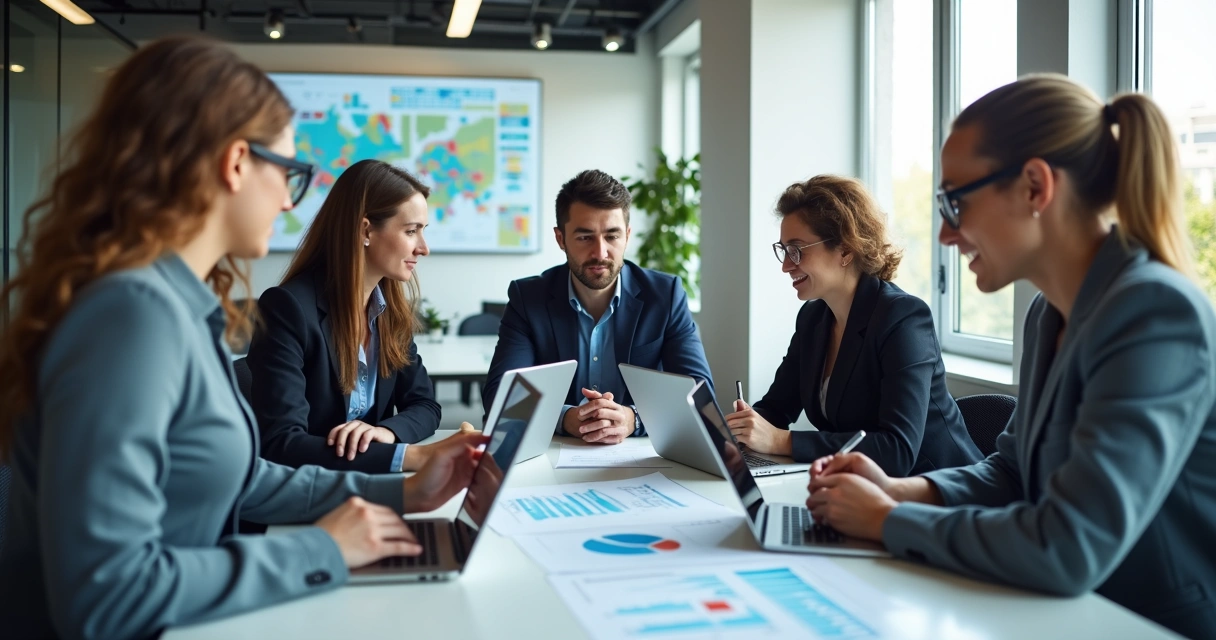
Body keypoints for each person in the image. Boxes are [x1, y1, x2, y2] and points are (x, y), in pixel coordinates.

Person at [0, 37, 487, 640]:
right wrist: (321, 552)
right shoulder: (131, 318)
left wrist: (403, 488)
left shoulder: (178, 305)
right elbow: (107, 596)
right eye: (289, 173)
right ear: (235, 164)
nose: (288, 198)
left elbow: (242, 477)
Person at [806, 75, 1216, 639]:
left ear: (1034, 187)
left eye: (956, 202)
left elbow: (1069, 546)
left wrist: (889, 520)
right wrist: (904, 491)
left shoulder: (1154, 313)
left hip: (1141, 621)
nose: (947, 235)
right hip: (1055, 611)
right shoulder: (1048, 314)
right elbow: (1014, 471)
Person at [724, 175, 982, 474]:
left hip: (941, 494)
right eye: (783, 250)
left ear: (846, 250)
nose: (785, 265)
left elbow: (896, 450)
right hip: (864, 489)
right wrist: (739, 429)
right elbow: (777, 408)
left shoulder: (904, 318)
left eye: (796, 250)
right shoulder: (813, 318)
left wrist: (783, 442)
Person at [247, 159, 461, 473]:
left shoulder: (390, 310)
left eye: (423, 232)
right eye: (411, 231)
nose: (423, 248)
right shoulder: (287, 308)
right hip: (310, 493)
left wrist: (386, 433)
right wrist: (407, 457)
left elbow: (425, 405)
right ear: (365, 231)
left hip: (371, 487)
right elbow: (282, 442)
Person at [483, 169, 713, 444]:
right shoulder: (528, 297)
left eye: (612, 236)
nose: (600, 253)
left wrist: (633, 419)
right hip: (554, 456)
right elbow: (501, 396)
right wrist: (566, 418)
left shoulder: (665, 296)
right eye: (584, 237)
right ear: (561, 239)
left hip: (642, 461)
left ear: (627, 236)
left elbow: (700, 397)